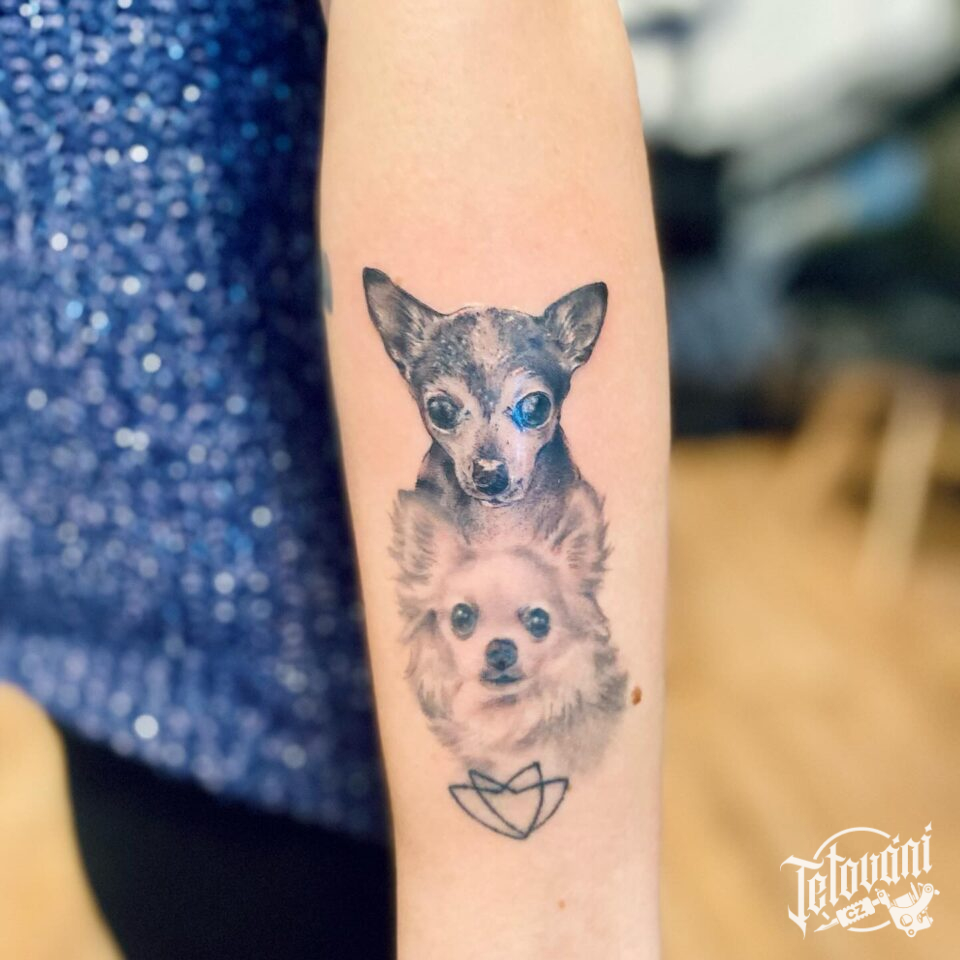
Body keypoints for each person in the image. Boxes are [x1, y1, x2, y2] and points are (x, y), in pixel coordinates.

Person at [1, 1, 667, 957]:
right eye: (449, 412)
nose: (489, 453)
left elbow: (489, 24)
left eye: (525, 410)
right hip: (101, 656)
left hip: (320, 770)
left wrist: (541, 911)